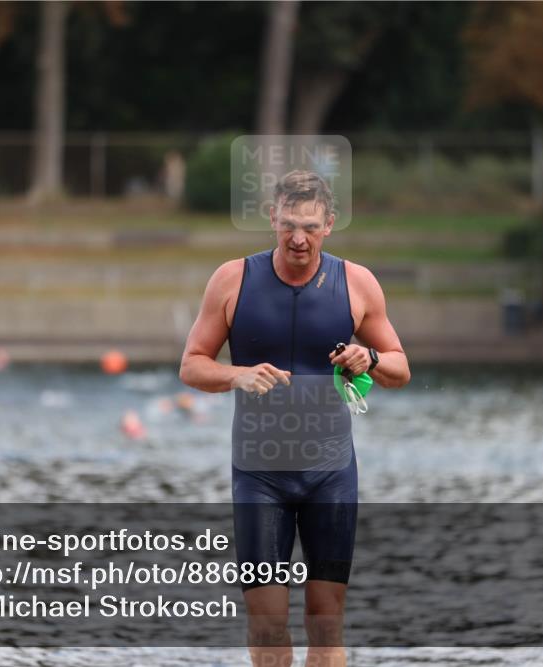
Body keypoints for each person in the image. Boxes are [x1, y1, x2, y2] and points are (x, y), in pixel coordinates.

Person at [180, 170, 411, 666]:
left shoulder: (357, 283)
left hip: (331, 473)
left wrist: (369, 357)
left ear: (329, 223)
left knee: (326, 619)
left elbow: (399, 368)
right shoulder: (232, 279)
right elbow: (192, 365)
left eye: (309, 226)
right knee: (266, 624)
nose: (298, 238)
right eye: (288, 224)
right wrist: (238, 375)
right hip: (259, 475)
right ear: (272, 218)